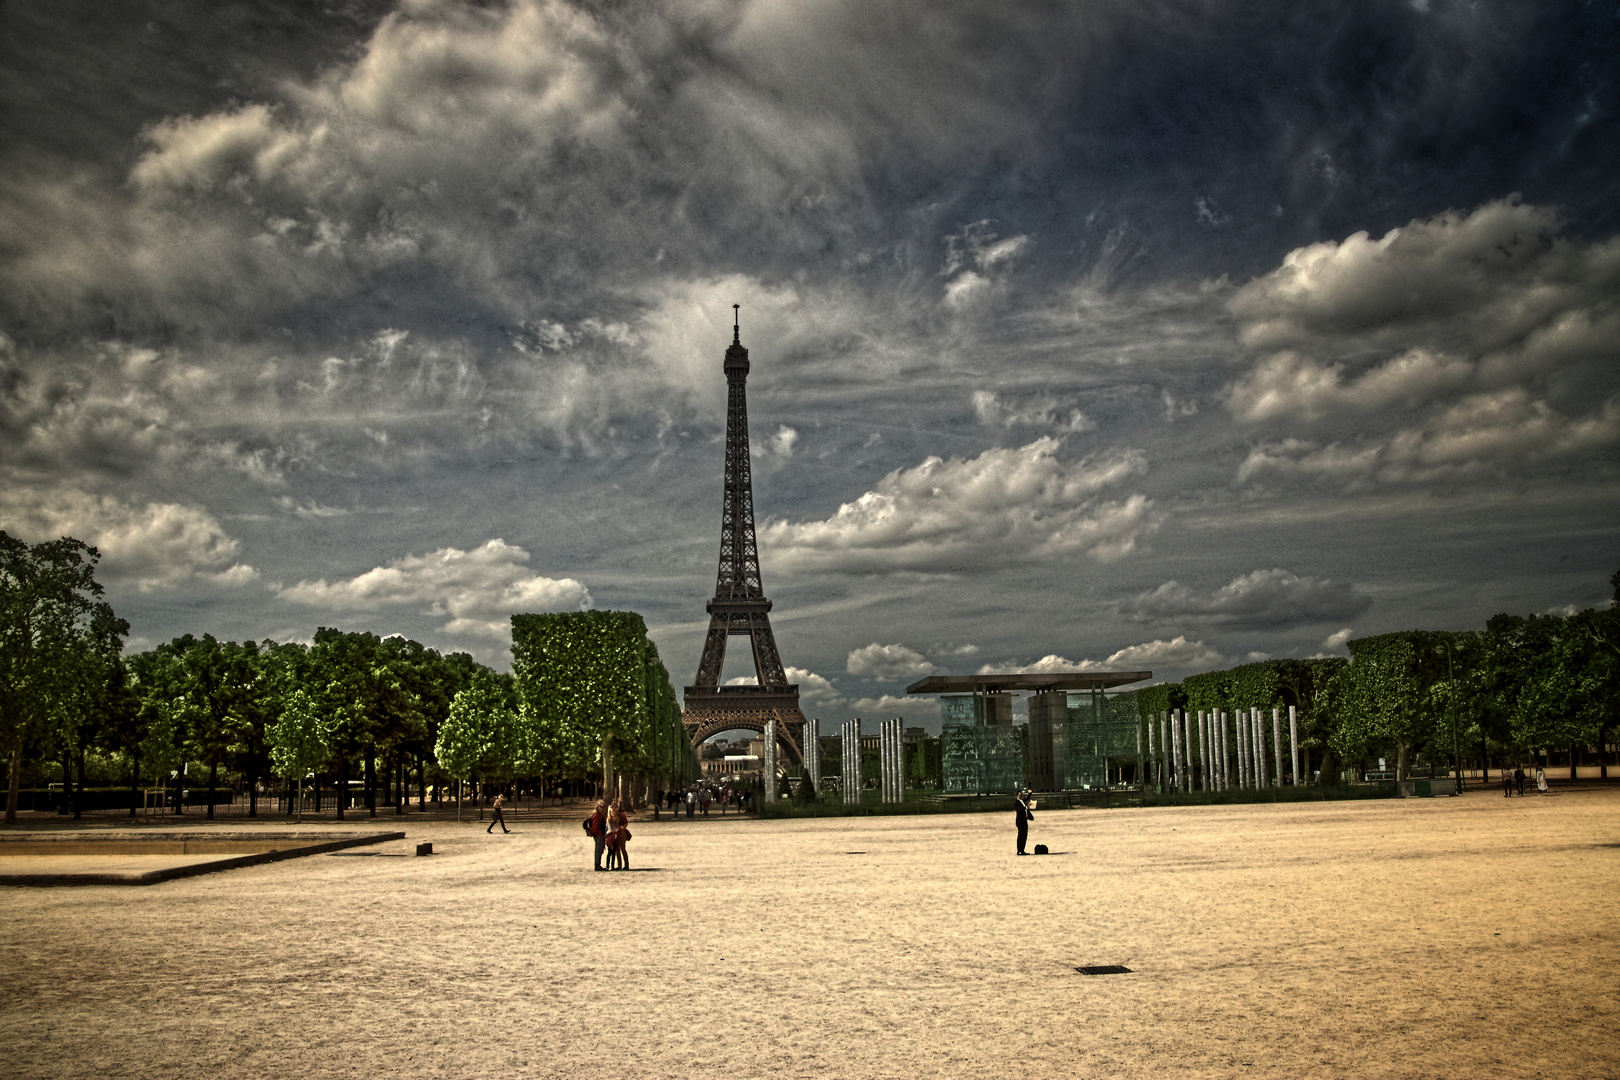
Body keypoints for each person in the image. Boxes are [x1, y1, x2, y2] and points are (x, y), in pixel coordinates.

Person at [588, 799, 608, 870]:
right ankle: (597, 865)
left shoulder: (600, 815)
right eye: (600, 807)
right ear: (597, 807)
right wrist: (598, 834)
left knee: (600, 849)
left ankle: (598, 864)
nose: (602, 808)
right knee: (598, 849)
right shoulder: (597, 815)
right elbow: (595, 826)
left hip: (600, 834)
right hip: (598, 834)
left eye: (603, 807)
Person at [1014, 789, 1034, 855]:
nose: (1021, 796)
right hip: (1020, 821)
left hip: (1024, 820)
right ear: (1017, 796)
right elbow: (1020, 810)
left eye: (1021, 795)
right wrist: (1027, 807)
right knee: (1021, 836)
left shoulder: (1022, 801)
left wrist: (1030, 793)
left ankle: (1022, 850)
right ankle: (1019, 850)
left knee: (1024, 836)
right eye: (1020, 795)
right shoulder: (1017, 802)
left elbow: (1027, 798)